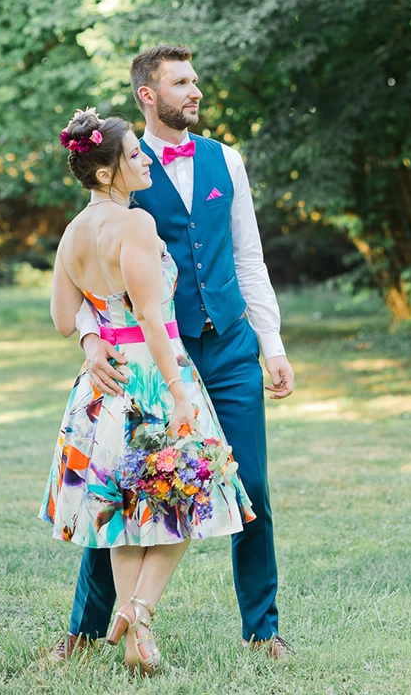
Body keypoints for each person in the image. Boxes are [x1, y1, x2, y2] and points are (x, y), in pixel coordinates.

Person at [56, 45, 295, 662]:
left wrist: (271, 344)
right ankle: (86, 628)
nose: (195, 92)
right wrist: (90, 340)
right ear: (147, 95)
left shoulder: (227, 161)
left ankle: (263, 631)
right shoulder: (120, 166)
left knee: (253, 489)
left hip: (230, 345)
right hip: (154, 358)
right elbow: (89, 277)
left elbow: (248, 257)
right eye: (181, 83)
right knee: (123, 490)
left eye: (195, 81)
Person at [40, 106, 255, 674]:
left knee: (126, 507)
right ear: (106, 172)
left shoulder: (72, 232)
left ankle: (137, 632)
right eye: (134, 154)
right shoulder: (135, 225)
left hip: (99, 384)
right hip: (150, 376)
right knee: (188, 494)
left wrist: (93, 339)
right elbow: (154, 319)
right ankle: (138, 610)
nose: (144, 159)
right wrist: (179, 392)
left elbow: (65, 317)